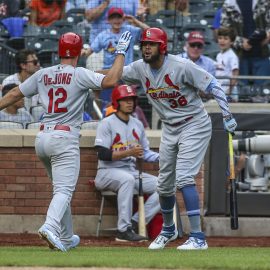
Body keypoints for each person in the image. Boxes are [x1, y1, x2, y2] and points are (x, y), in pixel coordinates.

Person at [0, 31, 132, 251]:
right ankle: (50, 226)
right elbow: (112, 80)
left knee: (60, 190)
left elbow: (14, 93)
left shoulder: (43, 73)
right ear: (79, 52)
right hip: (64, 137)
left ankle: (67, 237)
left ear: (59, 51)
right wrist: (120, 52)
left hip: (42, 137)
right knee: (64, 191)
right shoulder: (79, 73)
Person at [110, 27, 237, 250]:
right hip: (170, 127)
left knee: (185, 178)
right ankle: (168, 230)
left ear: (162, 47)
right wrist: (119, 54)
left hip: (194, 123)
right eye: (144, 44)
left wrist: (227, 114)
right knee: (164, 185)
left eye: (151, 44)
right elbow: (112, 77)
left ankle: (198, 237)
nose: (146, 48)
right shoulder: (140, 68)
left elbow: (213, 85)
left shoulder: (181, 65)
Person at [94, 84, 160, 241]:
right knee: (127, 180)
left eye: (132, 99)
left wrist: (162, 158)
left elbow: (144, 152)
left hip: (130, 172)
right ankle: (123, 230)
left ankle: (135, 222)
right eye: (125, 100)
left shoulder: (137, 124)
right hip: (107, 172)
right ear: (117, 102)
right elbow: (102, 153)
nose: (130, 102)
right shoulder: (107, 123)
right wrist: (128, 152)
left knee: (164, 185)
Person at [82, 6, 149, 111]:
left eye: (119, 17)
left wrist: (135, 21)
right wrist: (83, 52)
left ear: (123, 19)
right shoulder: (103, 35)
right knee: (106, 105)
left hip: (126, 73)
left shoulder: (129, 30)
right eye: (113, 17)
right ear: (108, 20)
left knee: (125, 106)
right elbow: (89, 51)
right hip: (109, 73)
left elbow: (149, 32)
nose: (116, 20)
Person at [221, 0, 270, 85]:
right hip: (239, 57)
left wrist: (268, 36)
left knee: (262, 94)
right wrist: (240, 42)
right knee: (241, 94)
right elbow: (224, 31)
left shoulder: (264, 1)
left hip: (262, 54)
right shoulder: (228, 4)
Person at [215, 27, 239, 102]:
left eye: (225, 38)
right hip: (220, 91)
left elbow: (235, 74)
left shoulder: (232, 56)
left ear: (231, 42)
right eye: (220, 38)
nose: (222, 41)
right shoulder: (218, 55)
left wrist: (229, 92)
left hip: (229, 93)